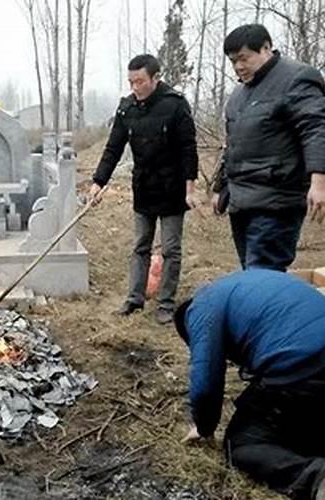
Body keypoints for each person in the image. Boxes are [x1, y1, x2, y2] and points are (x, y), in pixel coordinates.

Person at [175, 270, 325, 499]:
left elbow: (206, 380)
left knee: (241, 445)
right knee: (290, 420)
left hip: (312, 372)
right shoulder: (247, 283)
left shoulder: (200, 308)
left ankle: (316, 477)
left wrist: (204, 426)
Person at [212, 24, 325, 271]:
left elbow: (315, 128)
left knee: (263, 275)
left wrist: (319, 182)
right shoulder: (238, 96)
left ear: (266, 48)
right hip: (241, 201)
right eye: (233, 61)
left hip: (277, 201)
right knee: (251, 273)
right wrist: (220, 188)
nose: (238, 67)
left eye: (243, 58)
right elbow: (232, 146)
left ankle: (270, 310)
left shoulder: (296, 79)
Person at [89, 54, 199, 324]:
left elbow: (188, 148)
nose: (134, 87)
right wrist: (98, 182)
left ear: (155, 78)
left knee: (171, 249)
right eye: (130, 82)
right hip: (144, 187)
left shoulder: (174, 104)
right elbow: (113, 148)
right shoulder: (127, 108)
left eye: (140, 81)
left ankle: (165, 304)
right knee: (140, 246)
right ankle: (134, 298)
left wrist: (190, 187)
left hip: (172, 188)